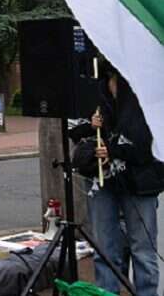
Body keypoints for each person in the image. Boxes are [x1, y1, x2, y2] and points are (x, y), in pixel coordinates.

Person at [69, 65, 163, 294]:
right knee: (105, 249)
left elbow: (146, 141)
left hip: (140, 182)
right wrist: (91, 126)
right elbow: (74, 130)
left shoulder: (146, 86)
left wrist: (112, 150)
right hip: (104, 182)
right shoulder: (94, 88)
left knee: (142, 250)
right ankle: (107, 292)